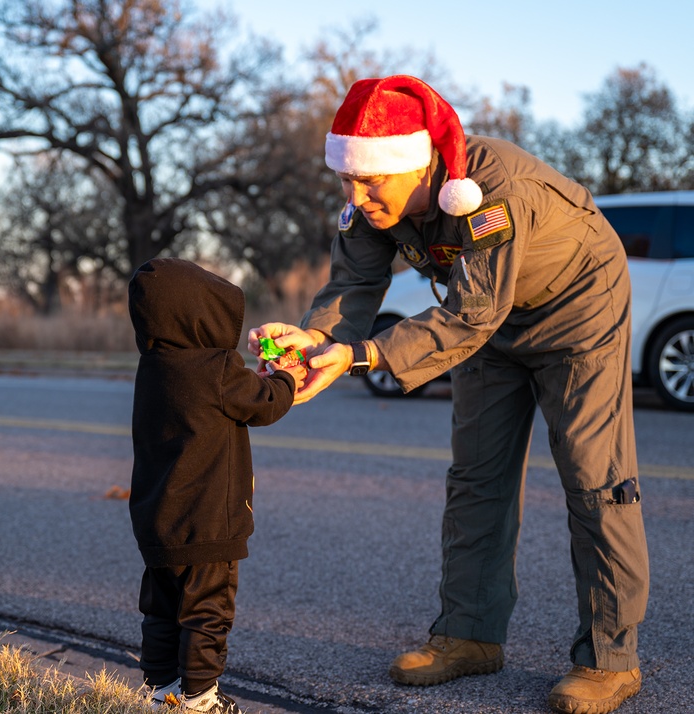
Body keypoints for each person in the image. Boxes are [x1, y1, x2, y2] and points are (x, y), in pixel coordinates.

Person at [249, 75, 649, 714]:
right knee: (476, 477)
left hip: (577, 309)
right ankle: (469, 636)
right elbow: (352, 286)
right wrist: (309, 344)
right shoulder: (374, 198)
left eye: (369, 180)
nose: (354, 193)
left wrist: (367, 354)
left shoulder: (490, 193)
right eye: (347, 178)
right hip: (488, 320)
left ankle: (609, 659)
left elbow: (469, 314)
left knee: (594, 478)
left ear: (412, 164)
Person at [128, 258, 306, 714]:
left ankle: (160, 691)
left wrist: (252, 380)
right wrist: (286, 377)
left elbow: (225, 398)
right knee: (207, 612)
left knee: (161, 608)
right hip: (208, 522)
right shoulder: (217, 366)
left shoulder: (153, 367)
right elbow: (263, 404)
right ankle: (199, 700)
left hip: (158, 520)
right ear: (201, 314)